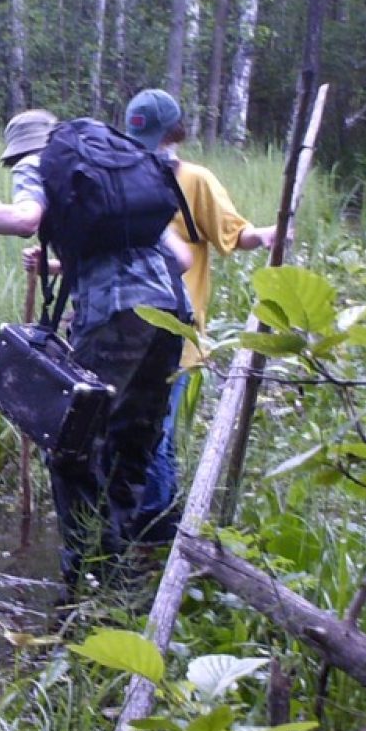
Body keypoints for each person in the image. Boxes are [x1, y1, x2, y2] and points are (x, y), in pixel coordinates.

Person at [0, 110, 194, 600]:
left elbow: (25, 219)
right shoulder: (118, 165)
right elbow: (181, 258)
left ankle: (85, 578)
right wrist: (61, 265)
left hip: (115, 314)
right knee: (131, 442)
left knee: (71, 441)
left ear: (21, 152)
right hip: (172, 314)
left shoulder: (40, 164)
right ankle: (123, 576)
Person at [122, 89, 276, 538]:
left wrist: (267, 234)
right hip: (124, 332)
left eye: (155, 140)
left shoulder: (195, 181)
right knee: (126, 435)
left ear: (174, 134)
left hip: (175, 332)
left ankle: (154, 533)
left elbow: (234, 234)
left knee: (157, 437)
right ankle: (130, 528)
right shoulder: (123, 176)